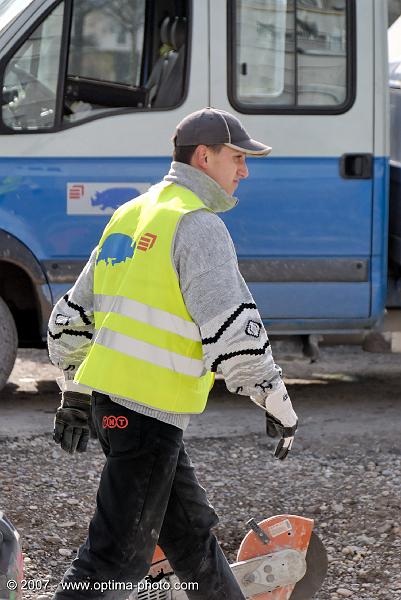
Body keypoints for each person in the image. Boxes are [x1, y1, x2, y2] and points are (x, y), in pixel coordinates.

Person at [48, 107, 298, 600]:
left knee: (191, 539)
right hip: (146, 413)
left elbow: (71, 319)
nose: (244, 170)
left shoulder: (131, 213)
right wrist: (275, 399)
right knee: (114, 559)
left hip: (118, 407)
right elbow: (233, 329)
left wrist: (75, 394)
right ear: (204, 157)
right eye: (237, 157)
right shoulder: (196, 224)